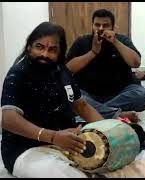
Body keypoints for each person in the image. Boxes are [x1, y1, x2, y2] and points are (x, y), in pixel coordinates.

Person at [1, 22, 105, 177]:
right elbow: (7, 119)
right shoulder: (18, 73)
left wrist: (109, 130)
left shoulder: (61, 70)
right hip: (26, 150)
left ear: (60, 52)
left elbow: (82, 106)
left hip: (66, 143)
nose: (45, 54)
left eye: (52, 50)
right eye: (39, 47)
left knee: (108, 162)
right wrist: (53, 137)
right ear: (29, 47)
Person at [65, 9, 145, 123]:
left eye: (105, 25)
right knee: (69, 97)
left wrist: (115, 42)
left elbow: (135, 63)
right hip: (88, 93)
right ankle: (116, 114)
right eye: (97, 25)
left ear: (113, 27)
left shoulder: (122, 40)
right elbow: (69, 68)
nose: (100, 28)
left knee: (143, 96)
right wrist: (93, 52)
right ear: (92, 25)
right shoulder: (82, 42)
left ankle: (94, 112)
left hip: (120, 93)